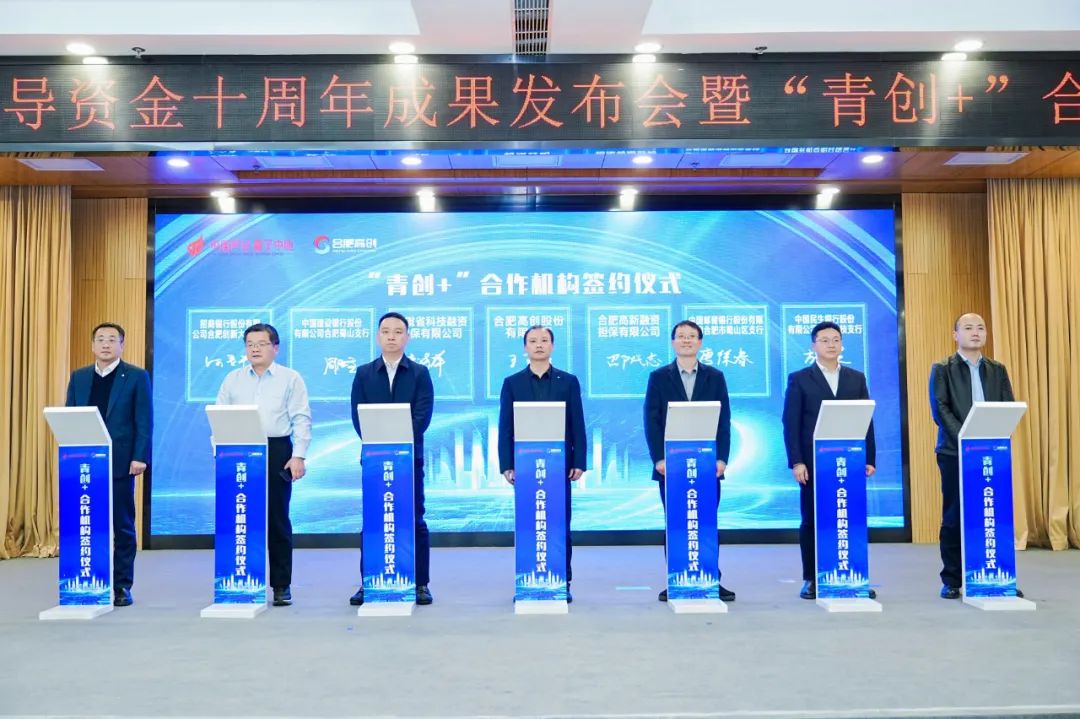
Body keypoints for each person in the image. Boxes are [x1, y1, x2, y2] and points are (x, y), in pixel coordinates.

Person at [216, 323, 311, 607]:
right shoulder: (232, 379)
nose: (255, 349)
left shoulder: (290, 378)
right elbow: (218, 416)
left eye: (261, 344)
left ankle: (281, 585)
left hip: (276, 451)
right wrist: (218, 452)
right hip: (238, 451)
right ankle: (240, 580)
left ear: (275, 348)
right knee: (239, 518)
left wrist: (299, 455)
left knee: (277, 520)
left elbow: (301, 418)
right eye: (250, 344)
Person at [929, 312, 1022, 600]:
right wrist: (967, 440)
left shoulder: (997, 369)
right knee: (955, 515)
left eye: (980, 327)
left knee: (993, 513)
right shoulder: (942, 368)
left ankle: (997, 575)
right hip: (954, 452)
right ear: (955, 335)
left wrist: (992, 438)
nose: (975, 332)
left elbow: (1007, 405)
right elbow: (940, 409)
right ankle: (952, 579)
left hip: (992, 453)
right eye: (968, 328)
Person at [782, 321, 877, 600]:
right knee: (812, 520)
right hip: (813, 463)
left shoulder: (856, 378)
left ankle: (853, 575)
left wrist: (869, 457)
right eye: (824, 340)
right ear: (813, 345)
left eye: (836, 339)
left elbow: (866, 420)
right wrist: (797, 461)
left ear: (842, 344)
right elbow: (791, 423)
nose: (831, 344)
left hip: (850, 462)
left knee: (850, 519)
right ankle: (812, 578)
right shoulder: (800, 378)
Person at [643, 320, 736, 603]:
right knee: (676, 523)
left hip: (707, 464)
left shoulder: (715, 377)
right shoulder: (659, 377)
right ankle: (676, 578)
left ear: (700, 342)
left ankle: (711, 578)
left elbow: (724, 420)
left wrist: (722, 458)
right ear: (673, 342)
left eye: (692, 336)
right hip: (670, 465)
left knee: (706, 522)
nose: (686, 340)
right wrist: (658, 458)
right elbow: (652, 420)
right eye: (681, 336)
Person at [349, 312, 435, 606]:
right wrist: (379, 444)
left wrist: (399, 445)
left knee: (415, 519)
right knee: (374, 519)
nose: (391, 336)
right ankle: (369, 582)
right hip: (375, 460)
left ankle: (420, 583)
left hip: (410, 460)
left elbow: (422, 415)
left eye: (398, 332)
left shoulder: (420, 373)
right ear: (378, 336)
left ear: (407, 337)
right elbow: (358, 416)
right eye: (386, 331)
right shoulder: (363, 373)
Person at [497, 325, 587, 602]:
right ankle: (528, 579)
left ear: (552, 346)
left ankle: (562, 580)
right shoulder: (512, 383)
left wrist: (579, 461)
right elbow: (505, 427)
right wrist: (506, 464)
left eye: (544, 340)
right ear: (525, 347)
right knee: (529, 523)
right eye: (533, 341)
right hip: (525, 466)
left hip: (559, 466)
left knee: (560, 524)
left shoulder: (567, 381)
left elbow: (577, 423)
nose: (539, 345)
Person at [65, 322, 152, 608]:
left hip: (121, 462)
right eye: (100, 339)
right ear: (92, 345)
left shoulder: (136, 376)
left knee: (123, 527)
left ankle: (121, 586)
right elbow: (70, 417)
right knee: (86, 524)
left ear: (121, 345)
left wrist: (140, 456)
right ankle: (88, 580)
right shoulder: (79, 377)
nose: (105, 344)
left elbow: (144, 421)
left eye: (112, 339)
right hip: (84, 463)